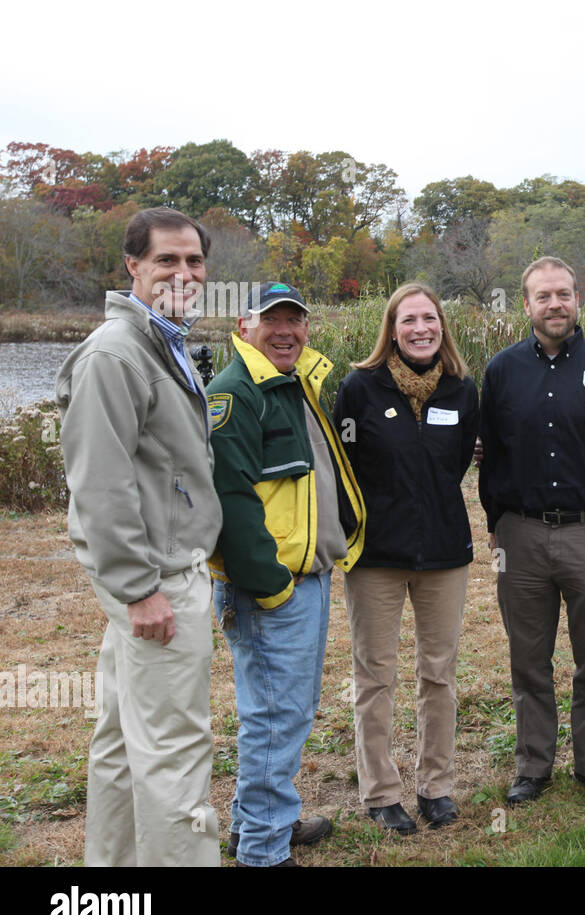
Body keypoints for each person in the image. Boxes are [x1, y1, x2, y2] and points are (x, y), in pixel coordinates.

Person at [56, 207, 222, 866]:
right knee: (177, 749)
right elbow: (100, 481)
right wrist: (138, 589)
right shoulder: (116, 353)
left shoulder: (163, 342)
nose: (184, 273)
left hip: (156, 575)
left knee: (125, 740)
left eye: (194, 261)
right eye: (166, 260)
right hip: (158, 583)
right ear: (133, 266)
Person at [478, 257, 585, 807]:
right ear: (526, 304)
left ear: (579, 300)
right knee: (528, 660)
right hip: (521, 536)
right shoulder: (502, 371)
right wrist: (495, 524)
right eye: (543, 296)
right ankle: (533, 766)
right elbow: (490, 456)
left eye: (563, 294)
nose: (555, 304)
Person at [207, 281, 366, 865]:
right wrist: (272, 587)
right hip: (273, 589)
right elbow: (231, 502)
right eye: (271, 320)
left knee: (285, 713)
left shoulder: (294, 383)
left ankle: (257, 822)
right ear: (244, 327)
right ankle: (264, 851)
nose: (285, 331)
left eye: (294, 320)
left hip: (308, 580)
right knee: (275, 717)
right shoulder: (235, 393)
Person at [333, 282, 477, 834]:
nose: (421, 329)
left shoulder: (462, 390)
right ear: (391, 331)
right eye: (409, 320)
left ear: (442, 326)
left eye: (429, 318)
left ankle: (435, 786)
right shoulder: (360, 388)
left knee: (438, 673)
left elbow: (457, 464)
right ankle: (381, 792)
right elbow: (343, 468)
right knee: (375, 675)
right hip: (376, 556)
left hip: (444, 552)